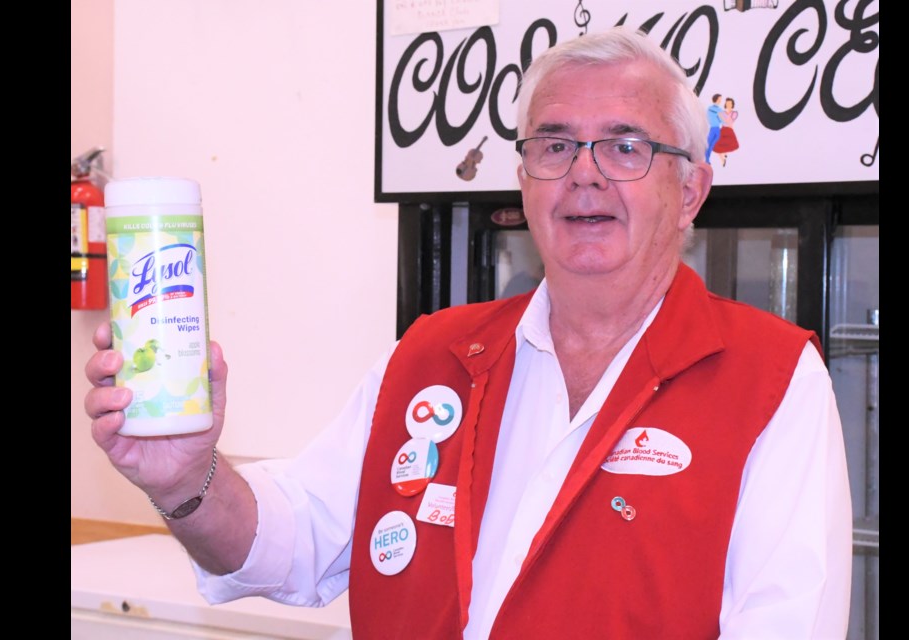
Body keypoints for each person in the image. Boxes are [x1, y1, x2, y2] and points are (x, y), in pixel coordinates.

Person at [84, 26, 853, 639]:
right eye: (554, 146)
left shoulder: (772, 380)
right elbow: (291, 543)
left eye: (625, 146)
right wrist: (186, 480)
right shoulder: (429, 355)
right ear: (524, 182)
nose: (584, 173)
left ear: (690, 189)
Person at [713, 97, 741, 166]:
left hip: (729, 131)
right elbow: (721, 120)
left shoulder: (734, 113)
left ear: (732, 104)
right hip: (723, 130)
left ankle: (724, 156)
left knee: (728, 145)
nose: (729, 104)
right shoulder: (722, 113)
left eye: (730, 103)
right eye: (727, 103)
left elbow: (729, 121)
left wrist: (723, 116)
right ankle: (723, 158)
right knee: (716, 145)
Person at [705, 93, 725, 164]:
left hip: (714, 128)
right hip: (715, 128)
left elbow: (723, 120)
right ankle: (706, 158)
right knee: (710, 144)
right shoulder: (718, 109)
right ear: (716, 99)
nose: (720, 100)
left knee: (710, 144)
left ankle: (706, 158)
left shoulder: (711, 109)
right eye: (720, 99)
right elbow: (723, 120)